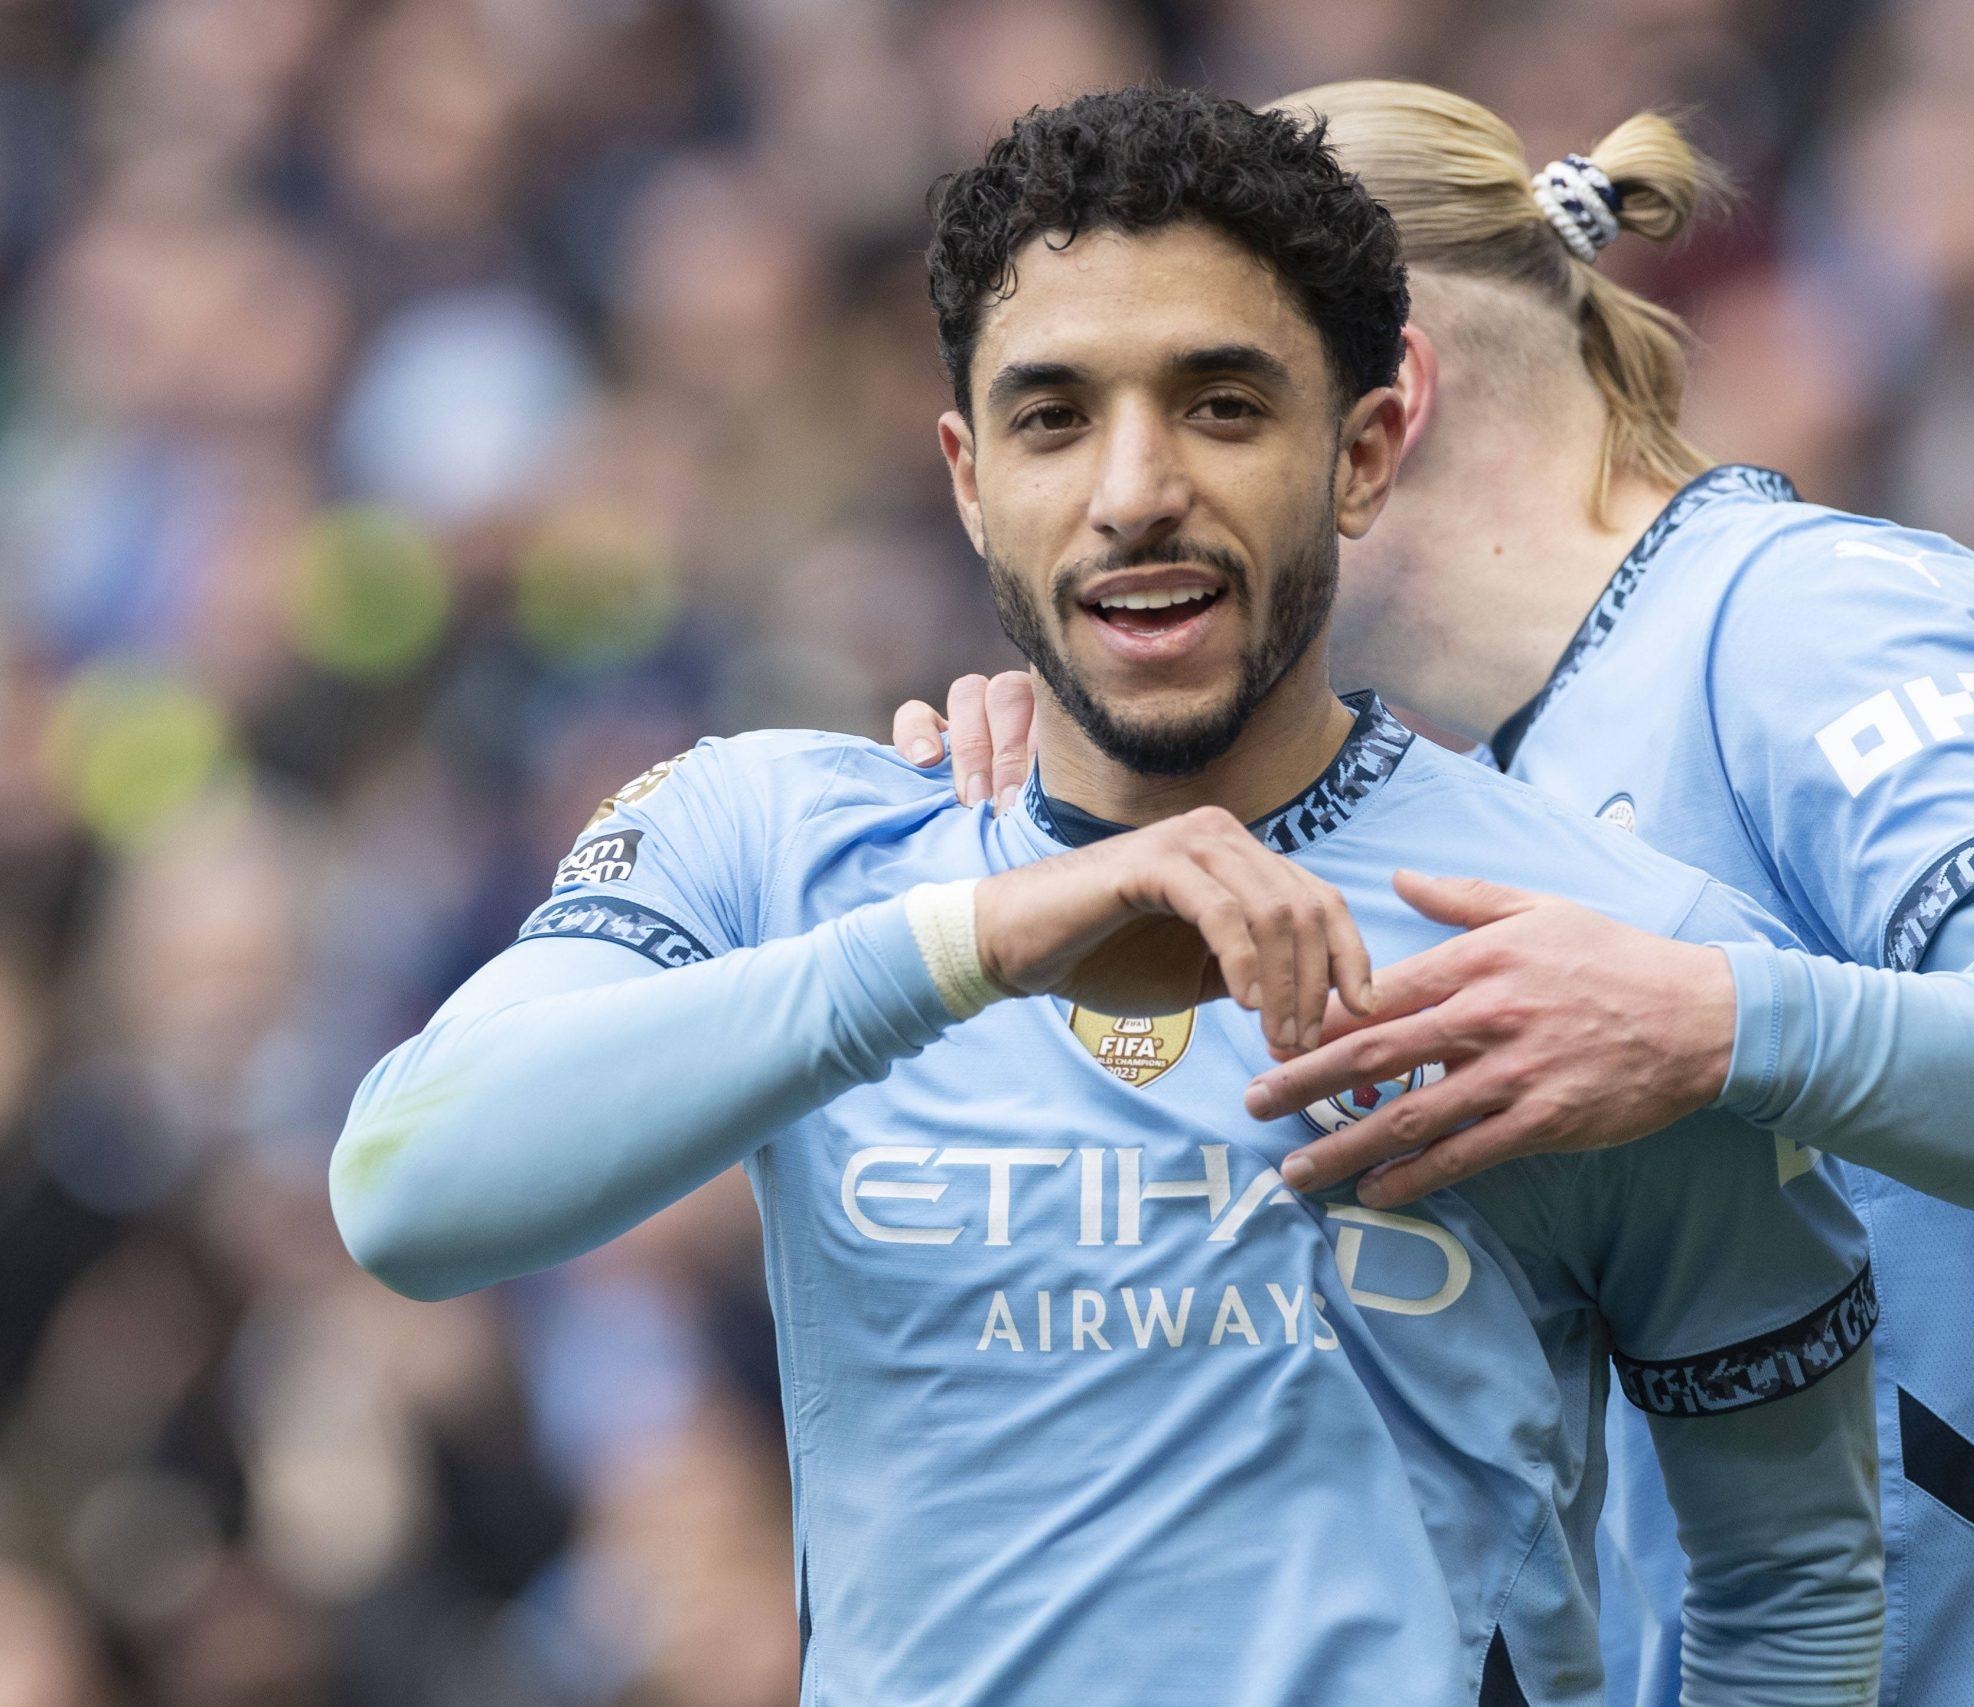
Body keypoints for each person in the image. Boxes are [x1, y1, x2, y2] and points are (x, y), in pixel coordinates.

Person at [331, 89, 1885, 1707]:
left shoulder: (1599, 959)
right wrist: (985, 939)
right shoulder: (774, 842)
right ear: (967, 475)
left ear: (1363, 451)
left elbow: (1792, 1588)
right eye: (1055, 417)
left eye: (1220, 406)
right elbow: (410, 1189)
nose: (1133, 489)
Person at [897, 81, 1974, 1707]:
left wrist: (1711, 1020)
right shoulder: (1471, 788)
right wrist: (1029, 805)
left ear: (1381, 407)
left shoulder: (1806, 618)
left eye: (1211, 405)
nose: (1142, 492)